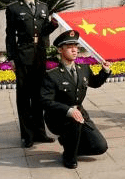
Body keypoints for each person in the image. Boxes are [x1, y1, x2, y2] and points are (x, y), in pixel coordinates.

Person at [41, 30, 111, 169]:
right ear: (60, 50)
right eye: (69, 47)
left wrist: (105, 71)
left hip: (79, 112)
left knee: (100, 147)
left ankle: (71, 148)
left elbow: (95, 83)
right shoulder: (52, 75)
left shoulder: (83, 69)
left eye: (76, 47)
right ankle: (69, 156)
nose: (74, 50)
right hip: (58, 116)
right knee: (74, 121)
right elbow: (45, 101)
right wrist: (68, 110)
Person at [5, 0, 58, 148]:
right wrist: (11, 57)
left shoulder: (43, 7)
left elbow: (43, 32)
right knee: (24, 97)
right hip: (23, 56)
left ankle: (40, 133)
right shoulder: (13, 8)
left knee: (39, 96)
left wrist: (53, 25)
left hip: (39, 56)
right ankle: (27, 135)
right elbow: (10, 35)